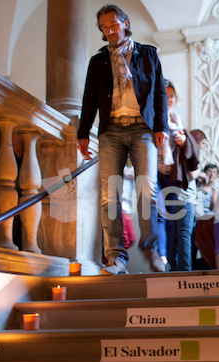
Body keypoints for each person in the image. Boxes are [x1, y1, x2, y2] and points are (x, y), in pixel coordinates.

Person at [77, 4, 167, 275]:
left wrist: (161, 125)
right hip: (112, 131)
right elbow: (89, 98)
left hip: (143, 129)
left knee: (146, 190)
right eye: (104, 27)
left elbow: (160, 93)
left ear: (125, 23)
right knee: (109, 195)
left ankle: (151, 248)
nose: (110, 31)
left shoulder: (148, 54)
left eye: (113, 25)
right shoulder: (98, 61)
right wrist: (83, 132)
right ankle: (115, 257)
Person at [159, 79, 200, 272]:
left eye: (172, 96)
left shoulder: (177, 120)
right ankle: (171, 270)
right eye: (165, 96)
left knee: (182, 233)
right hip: (161, 175)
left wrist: (183, 142)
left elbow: (193, 166)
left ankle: (182, 273)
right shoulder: (156, 117)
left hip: (180, 182)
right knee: (170, 230)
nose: (169, 100)